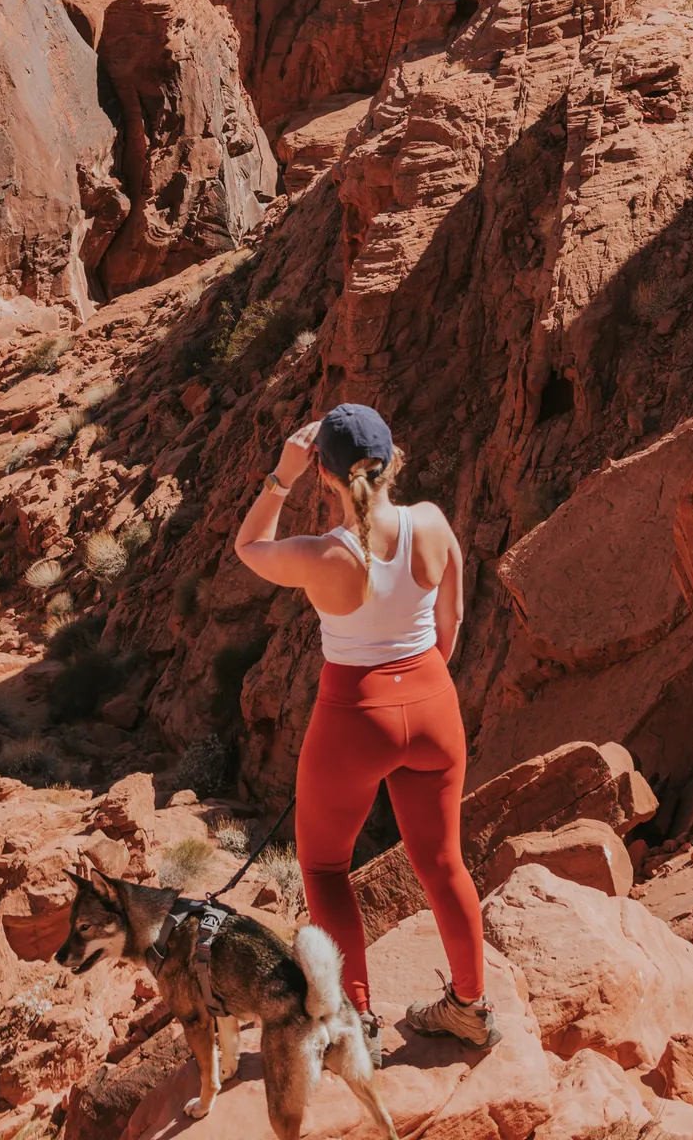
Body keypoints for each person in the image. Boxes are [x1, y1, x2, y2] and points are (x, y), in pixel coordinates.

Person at [235, 402, 499, 1059]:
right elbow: (452, 623)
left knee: (325, 866)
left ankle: (358, 1024)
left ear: (324, 474)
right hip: (434, 704)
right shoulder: (432, 524)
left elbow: (247, 547)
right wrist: (419, 687)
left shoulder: (325, 554)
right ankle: (470, 1008)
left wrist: (279, 477)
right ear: (394, 460)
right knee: (441, 863)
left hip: (353, 715)